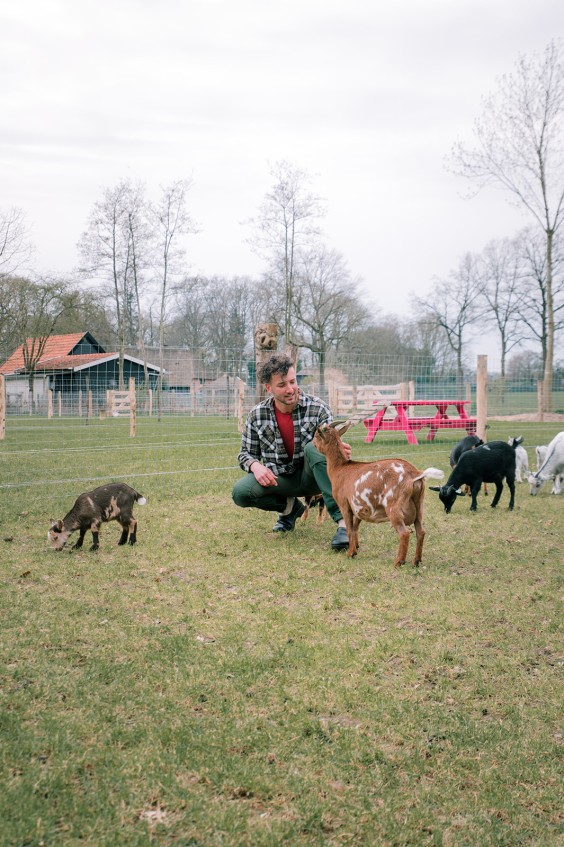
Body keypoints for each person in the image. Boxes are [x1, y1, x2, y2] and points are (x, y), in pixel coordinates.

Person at [232, 353, 350, 550]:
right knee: (240, 493)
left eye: (292, 382)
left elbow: (331, 449)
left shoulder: (318, 409)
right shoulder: (256, 415)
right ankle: (289, 509)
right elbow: (245, 453)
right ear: (268, 388)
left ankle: (344, 522)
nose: (290, 389)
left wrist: (338, 450)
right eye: (282, 385)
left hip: (313, 478)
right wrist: (255, 465)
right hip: (280, 480)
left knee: (315, 447)